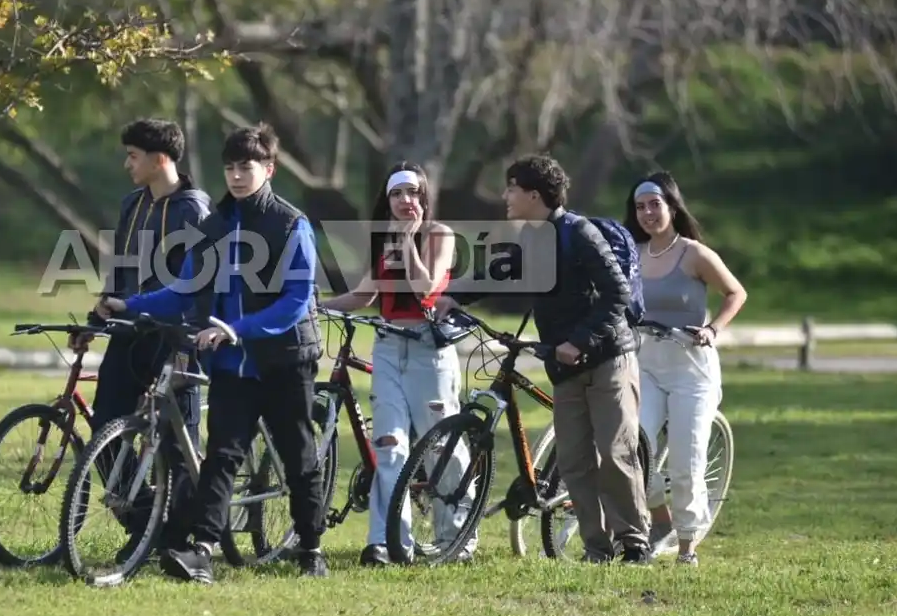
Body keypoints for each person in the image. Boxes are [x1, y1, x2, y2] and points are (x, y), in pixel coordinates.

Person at [97, 123, 330, 583]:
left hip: (284, 360)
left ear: (269, 169)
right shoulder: (215, 225)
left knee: (299, 457)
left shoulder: (290, 223)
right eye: (229, 168)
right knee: (222, 457)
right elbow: (184, 288)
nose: (237, 176)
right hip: (230, 365)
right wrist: (131, 305)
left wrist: (235, 329)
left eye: (247, 167)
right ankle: (202, 550)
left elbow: (295, 301)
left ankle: (312, 548)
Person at [435, 154, 653, 564]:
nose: (505, 196)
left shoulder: (580, 233)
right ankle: (596, 548)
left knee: (615, 454)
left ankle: (634, 543)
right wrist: (453, 296)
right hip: (563, 365)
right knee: (574, 462)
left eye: (512, 188)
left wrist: (580, 341)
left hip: (607, 358)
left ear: (534, 195)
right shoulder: (530, 239)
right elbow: (497, 270)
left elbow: (617, 294)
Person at [324, 162, 477, 565]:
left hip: (429, 350)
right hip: (389, 346)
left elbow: (426, 287)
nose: (404, 200)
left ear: (424, 197)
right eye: (396, 194)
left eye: (412, 192)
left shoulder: (439, 235)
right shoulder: (384, 239)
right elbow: (365, 295)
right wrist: (318, 306)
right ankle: (387, 541)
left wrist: (407, 242)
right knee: (389, 444)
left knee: (442, 445)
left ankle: (456, 536)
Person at [79, 119, 211, 556]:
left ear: (160, 160)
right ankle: (143, 525)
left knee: (179, 442)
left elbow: (199, 283)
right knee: (105, 430)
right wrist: (97, 318)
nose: (127, 164)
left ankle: (179, 540)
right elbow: (120, 270)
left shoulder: (195, 210)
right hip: (130, 335)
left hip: (177, 339)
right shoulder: (132, 204)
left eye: (133, 156)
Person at [624, 171, 747, 566]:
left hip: (691, 371)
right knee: (631, 450)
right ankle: (660, 522)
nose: (647, 213)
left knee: (685, 463)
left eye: (654, 205)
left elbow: (736, 292)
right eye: (640, 207)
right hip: (646, 365)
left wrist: (713, 329)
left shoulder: (694, 254)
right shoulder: (633, 253)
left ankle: (687, 547)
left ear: (672, 207)